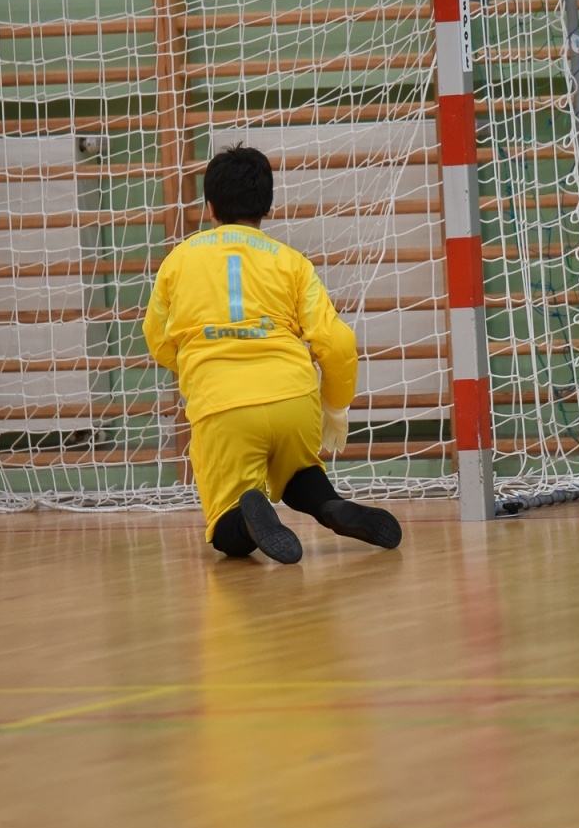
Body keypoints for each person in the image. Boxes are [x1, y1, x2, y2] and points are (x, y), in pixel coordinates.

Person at [142, 143, 402, 564]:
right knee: (300, 472)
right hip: (293, 398)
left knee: (226, 528)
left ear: (210, 207)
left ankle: (248, 521)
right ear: (267, 206)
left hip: (223, 405)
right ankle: (330, 506)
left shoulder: (178, 261)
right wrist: (335, 406)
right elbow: (336, 341)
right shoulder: (291, 262)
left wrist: (195, 365)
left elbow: (157, 338)